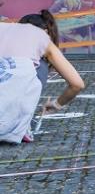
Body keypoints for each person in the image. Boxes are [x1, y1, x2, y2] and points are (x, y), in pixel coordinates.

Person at [0, 11, 85, 144]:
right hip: (7, 125)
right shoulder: (40, 37)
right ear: (46, 31)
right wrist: (56, 104)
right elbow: (77, 84)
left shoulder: (4, 28)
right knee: (41, 65)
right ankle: (24, 124)